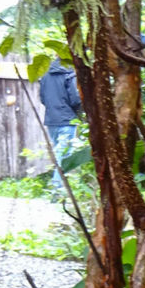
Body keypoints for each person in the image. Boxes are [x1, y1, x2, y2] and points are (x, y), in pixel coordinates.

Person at [39, 59, 83, 194]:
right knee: (64, 154)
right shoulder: (69, 73)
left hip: (52, 121)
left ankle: (61, 187)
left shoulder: (45, 74)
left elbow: (42, 98)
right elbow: (75, 99)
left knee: (60, 152)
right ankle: (57, 189)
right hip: (67, 120)